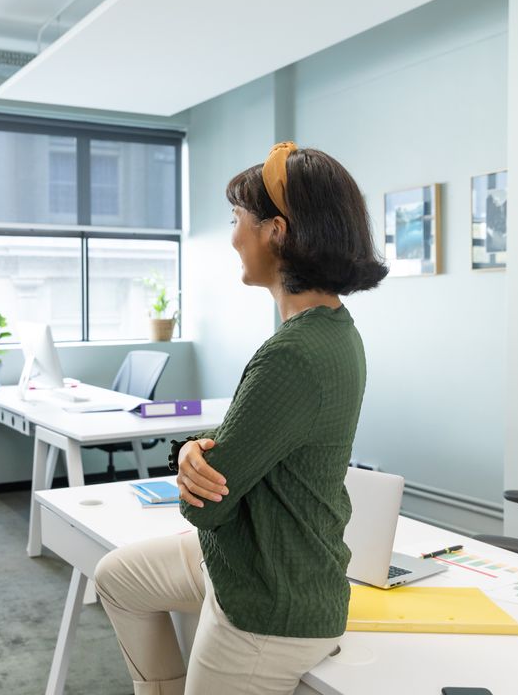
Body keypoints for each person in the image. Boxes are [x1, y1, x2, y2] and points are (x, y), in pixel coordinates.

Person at [92, 142, 388, 695]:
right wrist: (194, 448)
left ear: (276, 231)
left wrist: (197, 466)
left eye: (237, 221)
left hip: (272, 604)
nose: (232, 237)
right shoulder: (331, 330)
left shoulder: (293, 354)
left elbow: (205, 506)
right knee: (117, 577)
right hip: (254, 559)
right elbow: (252, 435)